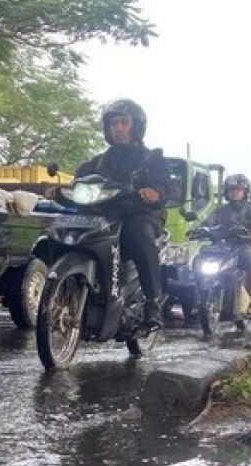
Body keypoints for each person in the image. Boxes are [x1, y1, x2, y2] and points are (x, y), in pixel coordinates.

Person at [51, 99, 171, 330]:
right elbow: (78, 183)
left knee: (139, 236)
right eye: (114, 123)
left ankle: (152, 303)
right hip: (104, 216)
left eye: (124, 122)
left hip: (138, 215)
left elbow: (166, 189)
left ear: (136, 126)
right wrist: (58, 191)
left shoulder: (152, 159)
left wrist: (154, 193)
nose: (118, 128)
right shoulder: (97, 162)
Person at [202, 174, 251, 311]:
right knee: (199, 259)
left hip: (242, 246)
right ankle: (199, 293)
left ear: (245, 192)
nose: (234, 193)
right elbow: (208, 222)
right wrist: (199, 230)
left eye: (238, 190)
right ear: (226, 192)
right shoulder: (220, 210)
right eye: (231, 190)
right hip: (221, 247)